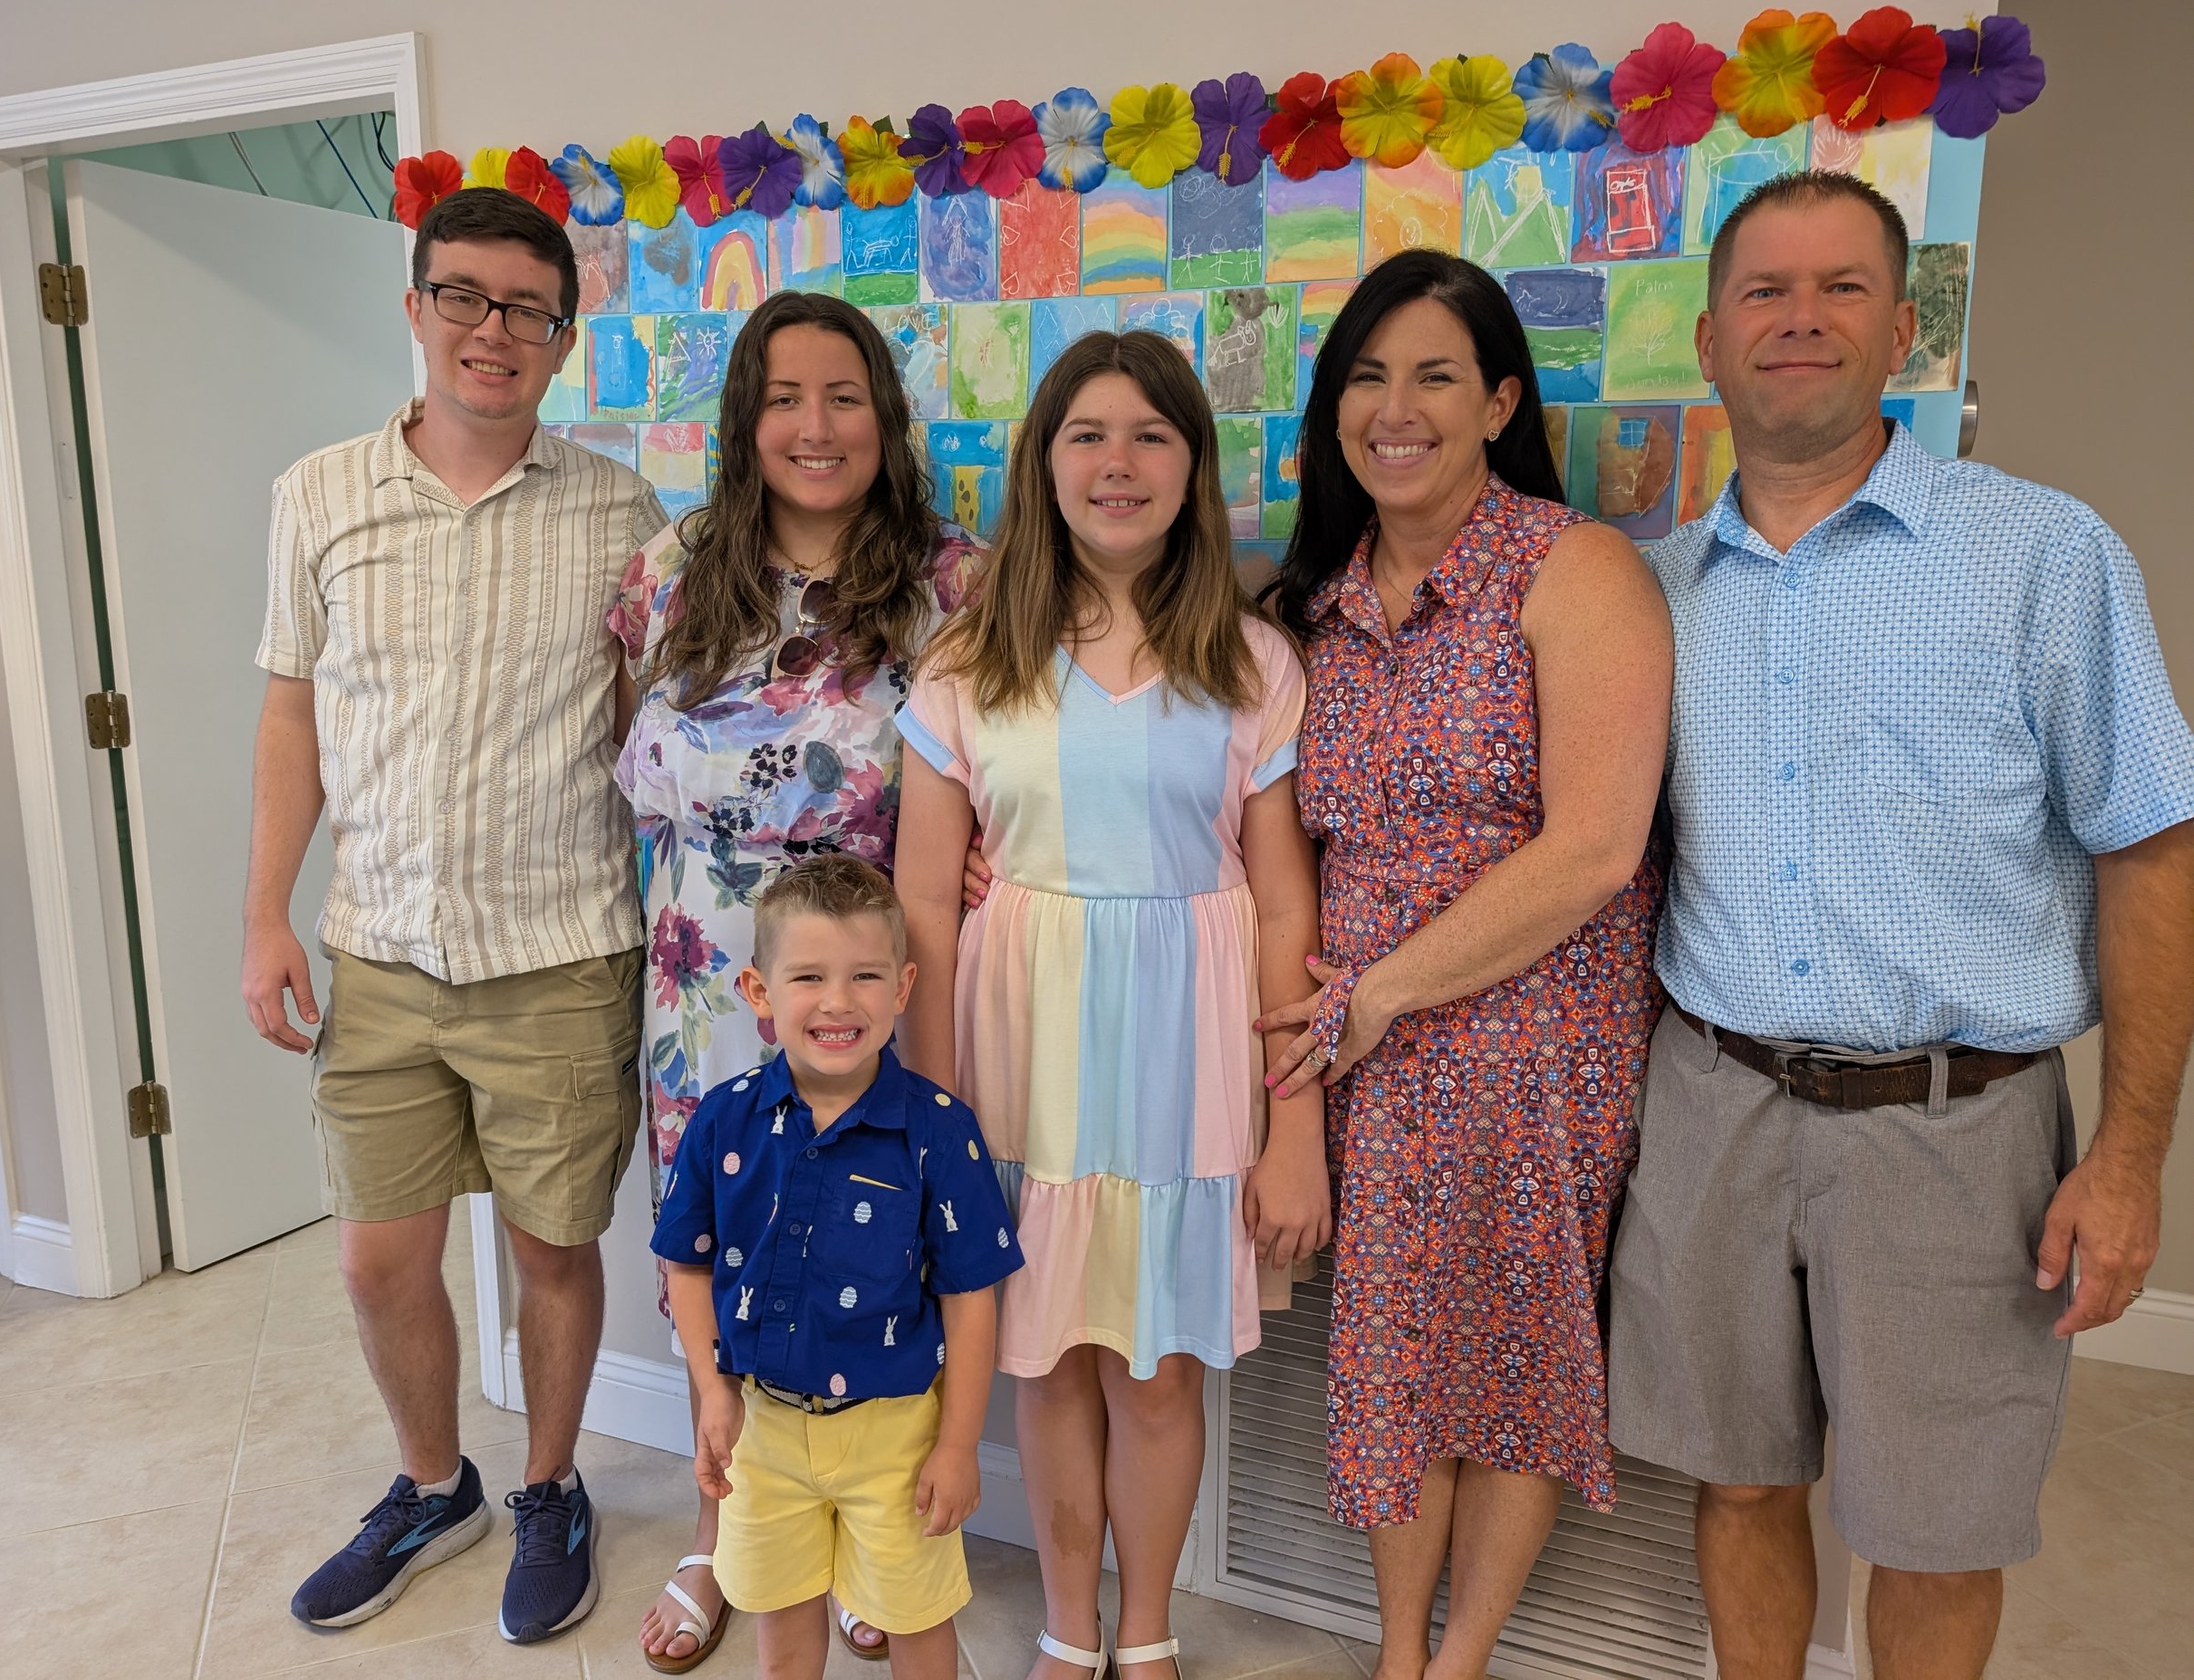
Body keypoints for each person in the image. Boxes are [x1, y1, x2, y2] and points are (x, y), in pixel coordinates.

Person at [1608, 170, 2194, 1680]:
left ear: (1906, 329)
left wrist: (2131, 1154)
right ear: (1712, 339)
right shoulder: (1653, 593)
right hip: (1715, 1101)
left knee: (1936, 1527)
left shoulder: (2042, 555)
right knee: (1740, 1482)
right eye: (1765, 291)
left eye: (1842, 287)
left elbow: (2150, 844)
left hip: (1955, 1128)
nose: (1800, 318)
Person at [242, 186, 666, 1640]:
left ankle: (550, 1485)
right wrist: (265, 913)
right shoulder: (318, 495)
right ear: (417, 308)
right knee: (378, 1257)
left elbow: (653, 730)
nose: (494, 329)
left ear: (564, 338)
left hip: (560, 950)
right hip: (379, 950)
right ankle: (435, 1486)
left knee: (554, 1249)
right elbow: (291, 716)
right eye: (466, 297)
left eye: (527, 308)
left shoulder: (619, 511)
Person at [1254, 248, 1671, 1680]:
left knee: (1516, 1367)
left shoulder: (1574, 567)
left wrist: (1380, 991)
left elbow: (1597, 846)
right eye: (1367, 376)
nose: (1397, 407)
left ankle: (1462, 1657)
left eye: (1436, 374)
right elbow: (1250, 827)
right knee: (1391, 1364)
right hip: (1369, 1062)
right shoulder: (1311, 608)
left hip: (1536, 1045)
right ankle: (1397, 1652)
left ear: (1499, 402)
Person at [894, 330, 1331, 1680]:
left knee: (1157, 1371)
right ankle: (1065, 1630)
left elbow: (1285, 910)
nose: (1117, 461)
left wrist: (1295, 1123)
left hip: (1185, 1065)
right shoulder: (968, 661)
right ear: (1044, 462)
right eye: (1087, 433)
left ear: (1194, 466)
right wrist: (932, 1121)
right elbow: (923, 902)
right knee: (1045, 1362)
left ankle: (1145, 1638)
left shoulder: (1252, 663)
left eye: (1151, 434)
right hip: (1020, 1060)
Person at [610, 289, 985, 1669]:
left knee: (876, 1240)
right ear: (745, 419)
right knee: (722, 1243)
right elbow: (626, 759)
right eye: (784, 397)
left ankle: (872, 1527)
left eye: (843, 396)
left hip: (863, 975)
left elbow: (997, 781)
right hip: (707, 973)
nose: (815, 426)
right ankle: (727, 1533)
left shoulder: (955, 583)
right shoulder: (672, 569)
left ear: (883, 416)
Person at [653, 854, 1021, 1680]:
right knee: (782, 1627)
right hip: (763, 1430)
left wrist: (958, 1445)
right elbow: (687, 1264)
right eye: (809, 977)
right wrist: (714, 1390)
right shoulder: (722, 1122)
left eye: (865, 976)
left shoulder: (939, 1132)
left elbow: (971, 1300)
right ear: (759, 991)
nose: (838, 1002)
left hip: (895, 1437)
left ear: (903, 987)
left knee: (915, 1620)